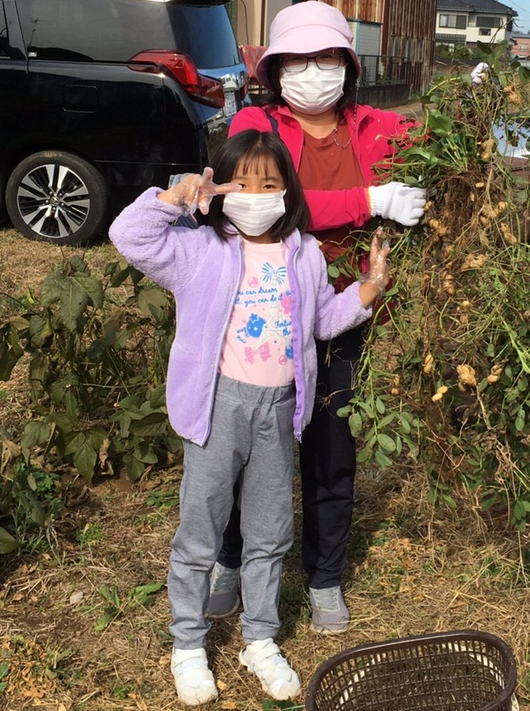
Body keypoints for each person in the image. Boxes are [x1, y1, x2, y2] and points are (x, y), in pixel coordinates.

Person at [108, 129, 391, 704]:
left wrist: (368, 289)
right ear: (221, 188)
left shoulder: (305, 254)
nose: (257, 196)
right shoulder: (199, 251)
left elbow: (319, 321)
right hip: (219, 408)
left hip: (278, 411)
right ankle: (188, 644)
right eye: (242, 183)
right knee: (201, 530)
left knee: (270, 532)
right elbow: (128, 236)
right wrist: (176, 196)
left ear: (288, 190)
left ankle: (259, 638)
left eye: (270, 184)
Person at [209, 1, 427, 636]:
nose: (312, 72)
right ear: (275, 71)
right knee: (246, 448)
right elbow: (282, 205)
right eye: (297, 61)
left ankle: (324, 576)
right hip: (261, 311)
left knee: (332, 449)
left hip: (347, 313)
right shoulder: (256, 125)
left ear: (348, 66)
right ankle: (230, 561)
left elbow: (451, 150)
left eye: (326, 58)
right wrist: (370, 199)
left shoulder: (379, 127)